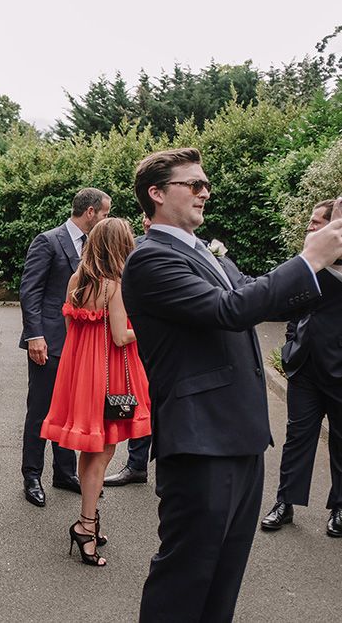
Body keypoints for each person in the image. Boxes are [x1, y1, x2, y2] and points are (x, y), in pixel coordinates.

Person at [122, 147, 342, 623]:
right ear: (157, 194)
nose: (205, 191)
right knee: (186, 575)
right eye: (193, 184)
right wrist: (309, 255)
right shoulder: (150, 260)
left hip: (240, 433)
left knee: (224, 575)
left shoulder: (207, 252)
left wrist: (332, 260)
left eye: (206, 183)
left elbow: (266, 301)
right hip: (200, 438)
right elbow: (231, 311)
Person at [41, 218, 151, 566]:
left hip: (79, 374)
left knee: (90, 450)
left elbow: (70, 326)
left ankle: (89, 519)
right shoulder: (115, 285)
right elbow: (121, 336)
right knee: (102, 453)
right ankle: (85, 526)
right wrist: (148, 326)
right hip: (110, 374)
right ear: (120, 247)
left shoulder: (77, 279)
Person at [19, 187, 111, 507]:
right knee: (41, 411)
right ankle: (32, 475)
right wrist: (35, 336)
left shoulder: (95, 248)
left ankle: (64, 472)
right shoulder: (48, 240)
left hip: (79, 345)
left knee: (70, 411)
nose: (106, 219)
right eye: (105, 213)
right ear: (90, 213)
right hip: (48, 342)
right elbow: (30, 291)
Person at [261, 199, 342, 537]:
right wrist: (291, 344)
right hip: (304, 366)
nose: (309, 227)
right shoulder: (308, 265)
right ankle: (285, 503)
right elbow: (291, 308)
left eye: (315, 222)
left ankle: (339, 508)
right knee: (297, 436)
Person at [105, 213, 152, 487]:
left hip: (165, 339)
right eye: (144, 217)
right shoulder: (132, 247)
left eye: (150, 217)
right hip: (135, 334)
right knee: (137, 401)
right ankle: (136, 465)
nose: (146, 222)